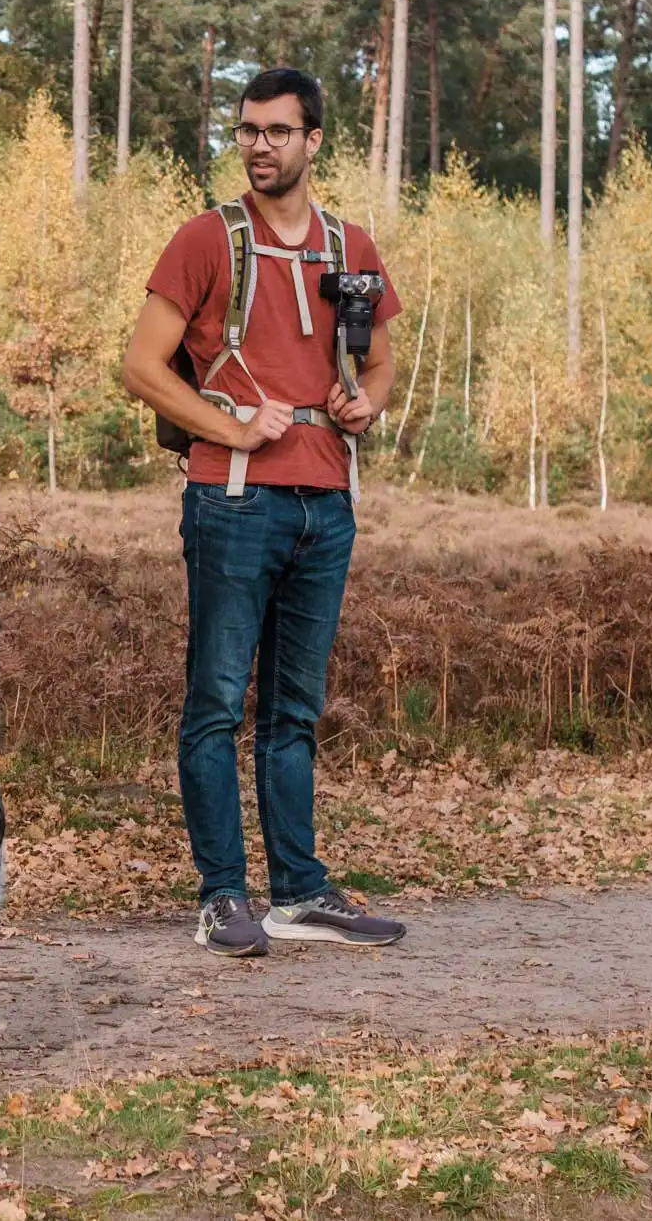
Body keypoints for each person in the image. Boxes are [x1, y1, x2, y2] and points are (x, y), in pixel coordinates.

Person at [123, 67, 407, 958]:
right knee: (214, 701)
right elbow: (141, 365)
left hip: (328, 502)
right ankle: (221, 897)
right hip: (234, 500)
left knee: (294, 708)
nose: (259, 145)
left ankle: (300, 891)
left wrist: (369, 405)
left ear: (314, 140)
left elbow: (387, 361)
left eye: (278, 131)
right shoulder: (206, 239)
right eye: (248, 129)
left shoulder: (350, 244)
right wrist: (232, 426)